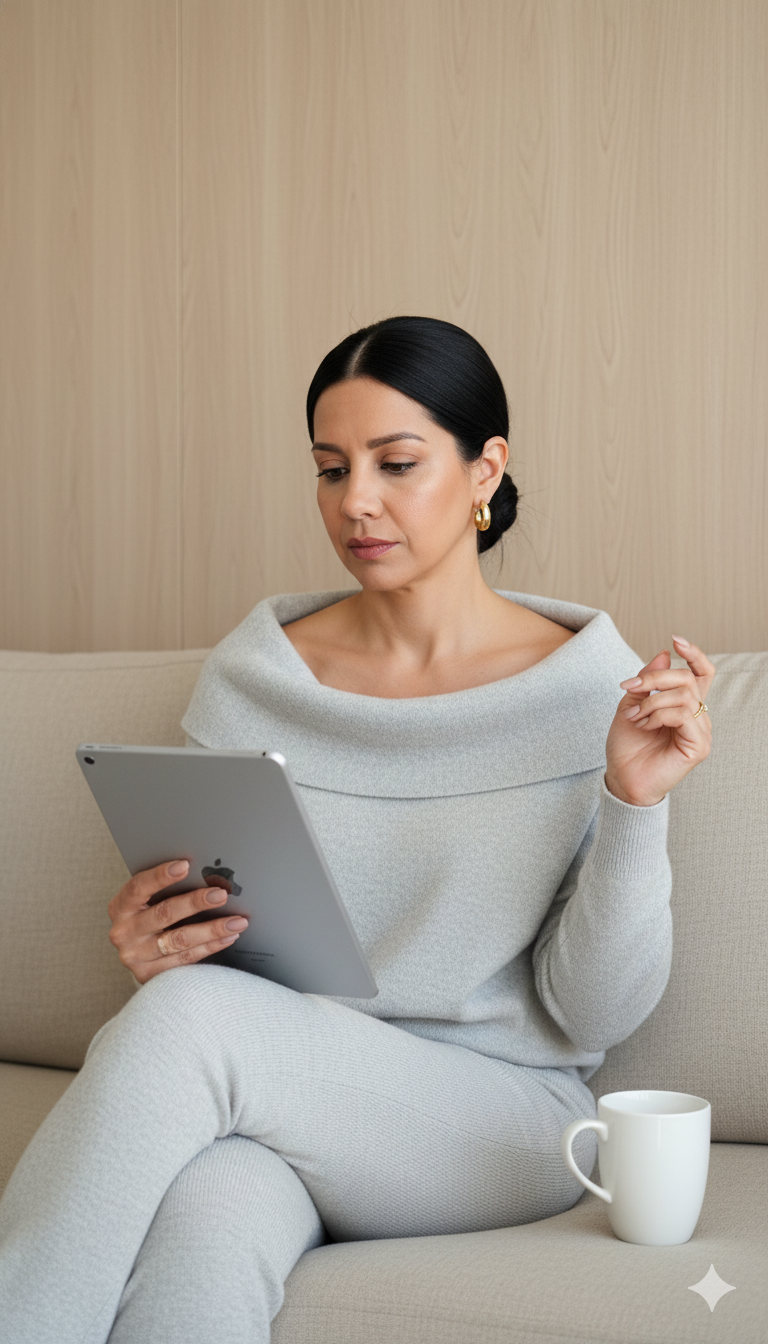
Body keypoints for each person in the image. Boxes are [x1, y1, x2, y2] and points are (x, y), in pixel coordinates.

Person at [0, 317, 714, 1344]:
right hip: (280, 1092)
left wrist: (633, 802)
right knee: (211, 1217)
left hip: (503, 1121)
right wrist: (160, 946)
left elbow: (592, 1012)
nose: (355, 502)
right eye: (331, 469)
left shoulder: (590, 693)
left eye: (397, 463)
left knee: (192, 1021)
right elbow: (229, 966)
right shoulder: (257, 675)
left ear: (485, 469)